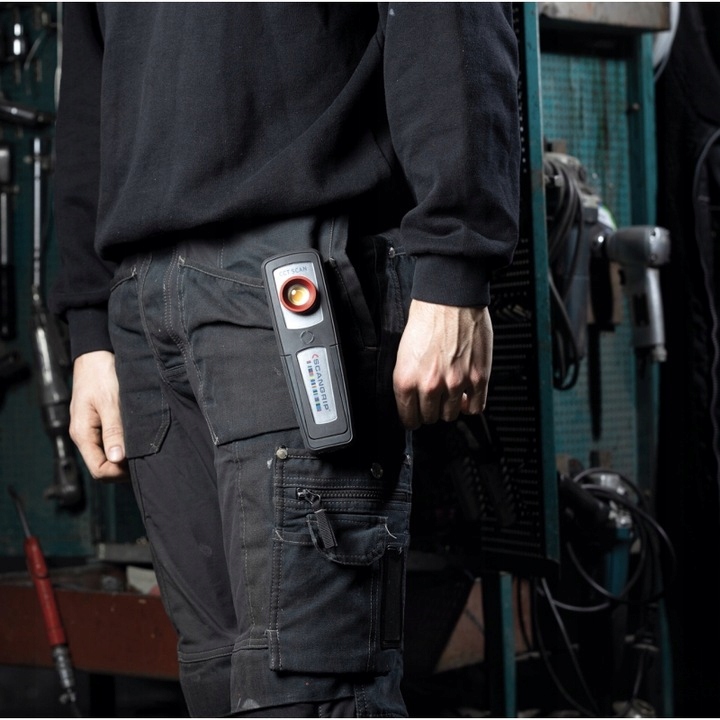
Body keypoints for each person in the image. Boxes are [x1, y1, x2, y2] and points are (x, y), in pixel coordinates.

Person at [50, 3, 520, 717]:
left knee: (310, 692)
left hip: (292, 272)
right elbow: (89, 72)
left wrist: (457, 256)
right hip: (144, 300)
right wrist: (89, 329)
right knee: (216, 681)